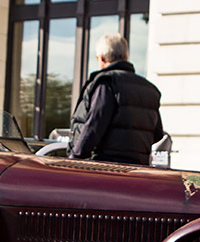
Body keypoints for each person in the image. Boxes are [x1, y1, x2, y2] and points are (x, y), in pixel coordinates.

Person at [69, 33, 164, 165]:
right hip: (139, 169)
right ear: (125, 56)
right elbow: (158, 134)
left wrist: (73, 160)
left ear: (101, 58)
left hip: (106, 168)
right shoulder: (150, 89)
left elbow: (93, 127)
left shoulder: (107, 83)